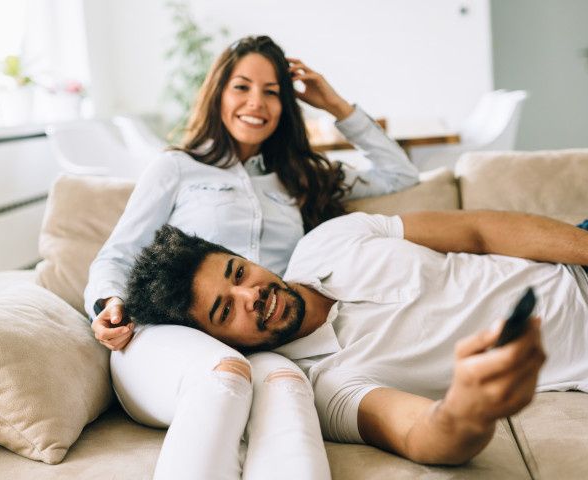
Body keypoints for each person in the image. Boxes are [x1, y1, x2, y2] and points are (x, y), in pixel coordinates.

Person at [84, 35, 419, 479]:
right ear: (218, 93)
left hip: (264, 340)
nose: (256, 102)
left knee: (285, 389)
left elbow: (400, 173)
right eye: (242, 87)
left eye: (272, 91)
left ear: (286, 106)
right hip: (185, 338)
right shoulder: (177, 168)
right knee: (225, 374)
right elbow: (118, 254)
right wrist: (108, 303)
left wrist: (335, 104)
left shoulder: (299, 177)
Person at [124, 209, 588, 466]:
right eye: (225, 309)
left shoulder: (327, 240)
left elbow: (480, 231)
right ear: (220, 342)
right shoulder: (326, 386)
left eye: (238, 273)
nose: (252, 295)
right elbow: (421, 434)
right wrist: (468, 408)